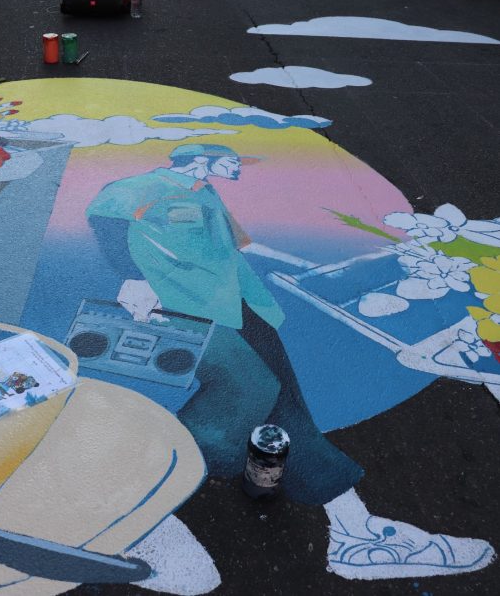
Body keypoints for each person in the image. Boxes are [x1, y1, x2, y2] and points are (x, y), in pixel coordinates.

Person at [86, 143, 494, 579]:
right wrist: (131, 278)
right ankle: (133, 501)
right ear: (200, 157)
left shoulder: (206, 193)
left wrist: (305, 267)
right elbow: (104, 218)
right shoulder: (142, 187)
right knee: (247, 389)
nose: (236, 167)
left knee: (286, 410)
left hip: (242, 305)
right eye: (231, 160)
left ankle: (354, 533)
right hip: (179, 304)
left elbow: (241, 244)